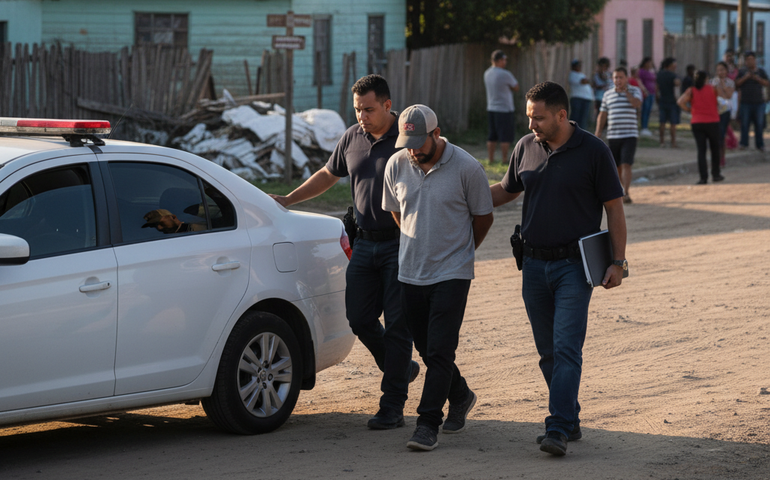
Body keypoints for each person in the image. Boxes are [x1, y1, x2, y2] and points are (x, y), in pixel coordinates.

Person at [268, 74, 419, 430]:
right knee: (359, 317)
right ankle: (401, 367)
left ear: (387, 105)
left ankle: (392, 405)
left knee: (398, 327)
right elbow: (328, 173)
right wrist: (289, 199)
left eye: (368, 109)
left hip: (401, 243)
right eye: (357, 109)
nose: (361, 116)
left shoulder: (408, 138)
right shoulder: (352, 137)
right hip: (363, 243)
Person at [490, 81, 628, 457]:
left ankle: (558, 427)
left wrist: (618, 262)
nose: (531, 124)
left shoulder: (594, 151)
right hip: (533, 265)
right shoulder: (525, 146)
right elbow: (506, 190)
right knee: (548, 352)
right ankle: (570, 417)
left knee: (566, 348)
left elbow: (614, 208)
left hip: (574, 267)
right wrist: (462, 195)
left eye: (538, 117)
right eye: (529, 116)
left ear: (561, 115)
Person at [382, 104, 494, 451]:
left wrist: (460, 251)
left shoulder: (467, 168)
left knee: (441, 350)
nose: (413, 151)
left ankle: (428, 423)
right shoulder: (396, 164)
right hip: (411, 271)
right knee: (427, 350)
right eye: (408, 144)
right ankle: (460, 394)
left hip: (452, 271)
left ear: (436, 133)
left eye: (419, 142)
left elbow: (483, 217)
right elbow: (398, 213)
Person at [595, 67, 643, 204]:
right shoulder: (607, 95)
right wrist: (598, 131)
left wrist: (626, 92)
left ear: (626, 78)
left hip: (630, 134)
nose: (618, 80)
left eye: (621, 77)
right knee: (616, 166)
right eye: (616, 77)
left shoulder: (635, 90)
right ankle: (622, 190)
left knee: (626, 163)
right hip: (613, 135)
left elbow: (636, 103)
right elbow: (603, 114)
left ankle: (626, 192)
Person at [678, 70, 725, 185]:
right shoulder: (713, 89)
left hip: (697, 122)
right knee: (715, 149)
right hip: (712, 121)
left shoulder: (691, 90)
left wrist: (689, 110)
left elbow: (680, 101)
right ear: (706, 79)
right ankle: (716, 174)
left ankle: (703, 177)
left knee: (701, 150)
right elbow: (723, 100)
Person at [484, 50, 520, 163]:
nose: (505, 62)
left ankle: (491, 158)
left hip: (491, 108)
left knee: (492, 135)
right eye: (504, 60)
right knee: (505, 136)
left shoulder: (487, 73)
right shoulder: (505, 74)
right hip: (504, 109)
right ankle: (504, 159)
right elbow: (516, 87)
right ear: (499, 60)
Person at [735, 51, 769, 151]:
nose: (750, 61)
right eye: (748, 60)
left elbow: (767, 83)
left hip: (759, 102)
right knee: (745, 124)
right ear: (745, 61)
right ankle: (744, 143)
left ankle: (760, 144)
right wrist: (746, 77)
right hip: (745, 102)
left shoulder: (761, 71)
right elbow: (736, 84)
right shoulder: (742, 71)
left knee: (759, 125)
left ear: (755, 60)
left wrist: (757, 78)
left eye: (752, 59)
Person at [710, 61, 736, 166]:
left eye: (722, 70)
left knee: (722, 134)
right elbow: (713, 94)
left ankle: (722, 158)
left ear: (726, 71)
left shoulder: (730, 82)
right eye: (718, 70)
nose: (720, 72)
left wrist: (722, 86)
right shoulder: (712, 82)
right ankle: (715, 157)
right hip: (714, 110)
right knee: (715, 135)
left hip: (725, 110)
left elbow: (728, 96)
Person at [657, 57, 681, 147]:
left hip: (662, 100)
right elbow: (677, 85)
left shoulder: (659, 74)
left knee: (662, 122)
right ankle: (673, 142)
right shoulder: (673, 76)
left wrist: (657, 99)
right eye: (674, 65)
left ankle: (662, 141)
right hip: (672, 101)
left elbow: (656, 88)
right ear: (670, 65)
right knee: (673, 123)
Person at [568, 59, 594, 129]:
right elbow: (583, 81)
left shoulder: (581, 74)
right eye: (578, 65)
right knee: (576, 117)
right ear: (574, 66)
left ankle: (581, 131)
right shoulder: (572, 74)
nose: (580, 67)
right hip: (578, 98)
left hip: (586, 98)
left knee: (583, 118)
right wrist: (588, 80)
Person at [142, 209, 206, 233]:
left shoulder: (195, 229)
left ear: (173, 217)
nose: (159, 227)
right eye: (154, 226)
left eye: (161, 223)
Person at [638, 57, 657, 136]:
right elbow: (639, 82)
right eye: (649, 63)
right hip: (645, 94)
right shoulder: (641, 71)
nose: (650, 65)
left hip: (652, 93)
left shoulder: (650, 71)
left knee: (649, 110)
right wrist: (644, 91)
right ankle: (644, 127)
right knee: (645, 110)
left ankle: (646, 126)